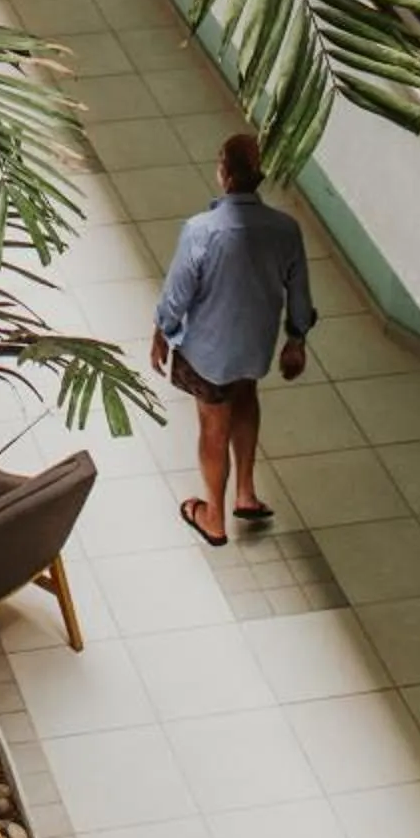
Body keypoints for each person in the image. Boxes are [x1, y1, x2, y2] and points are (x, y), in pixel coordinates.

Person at [151, 130, 315, 547]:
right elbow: (299, 294)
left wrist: (162, 332)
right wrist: (296, 340)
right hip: (254, 347)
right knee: (246, 397)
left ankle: (213, 517)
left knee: (213, 426)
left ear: (223, 173)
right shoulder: (285, 229)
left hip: (208, 354)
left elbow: (177, 295)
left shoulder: (201, 231)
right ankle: (246, 492)